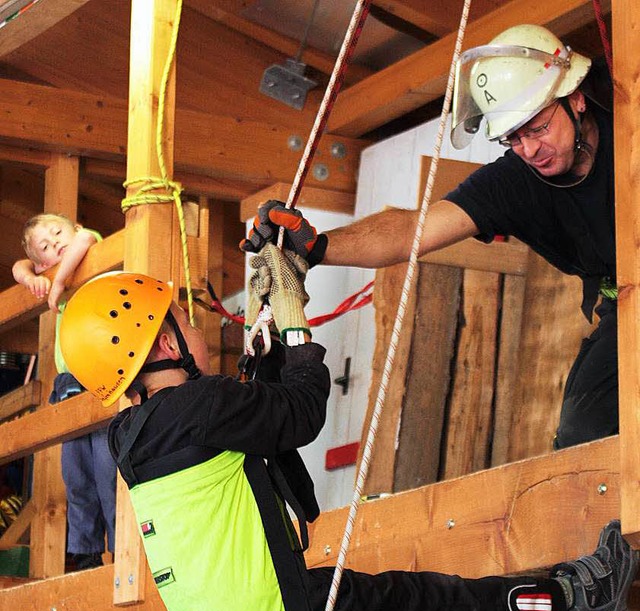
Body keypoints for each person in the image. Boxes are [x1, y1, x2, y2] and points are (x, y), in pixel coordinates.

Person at [58, 251, 637, 611]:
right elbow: (301, 413)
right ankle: (576, 597)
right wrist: (295, 327)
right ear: (164, 342)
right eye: (183, 321)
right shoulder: (198, 408)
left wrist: (269, 349)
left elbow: (258, 437)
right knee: (438, 609)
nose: (196, 329)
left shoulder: (131, 438)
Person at [240, 24, 616, 451]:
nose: (529, 149)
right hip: (626, 306)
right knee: (581, 439)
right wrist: (316, 245)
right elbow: (410, 231)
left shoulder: (628, 122)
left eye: (538, 128)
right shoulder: (512, 183)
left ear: (576, 99)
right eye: (513, 137)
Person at [13, 213, 116, 570]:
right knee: (76, 475)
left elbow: (85, 240)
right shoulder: (49, 269)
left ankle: (121, 547)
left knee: (108, 468)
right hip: (69, 380)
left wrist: (55, 286)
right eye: (46, 246)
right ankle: (85, 550)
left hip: (102, 368)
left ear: (72, 228)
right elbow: (18, 266)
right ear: (43, 262)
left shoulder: (87, 252)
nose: (56, 241)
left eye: (58, 232)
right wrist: (31, 277)